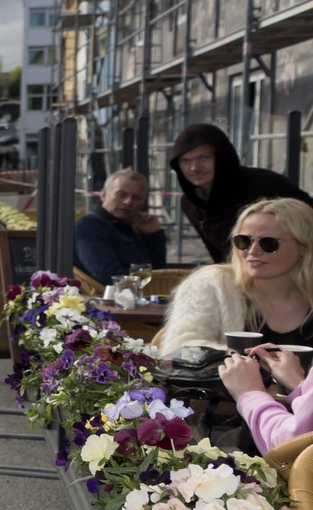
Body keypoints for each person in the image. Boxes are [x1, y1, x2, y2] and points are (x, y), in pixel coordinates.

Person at [157, 197, 313, 356]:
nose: (252, 251)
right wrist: (252, 361)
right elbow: (178, 349)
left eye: (268, 243)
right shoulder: (211, 284)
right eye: (243, 241)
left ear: (303, 246)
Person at [169, 122, 313, 263]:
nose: (194, 167)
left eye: (204, 158)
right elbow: (220, 257)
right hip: (243, 277)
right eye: (186, 160)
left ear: (223, 156)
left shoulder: (266, 185)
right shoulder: (190, 203)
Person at [73, 168, 166, 285]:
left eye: (136, 198)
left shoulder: (130, 226)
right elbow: (109, 276)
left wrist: (152, 235)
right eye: (121, 194)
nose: (128, 202)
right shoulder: (89, 227)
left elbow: (159, 271)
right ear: (103, 195)